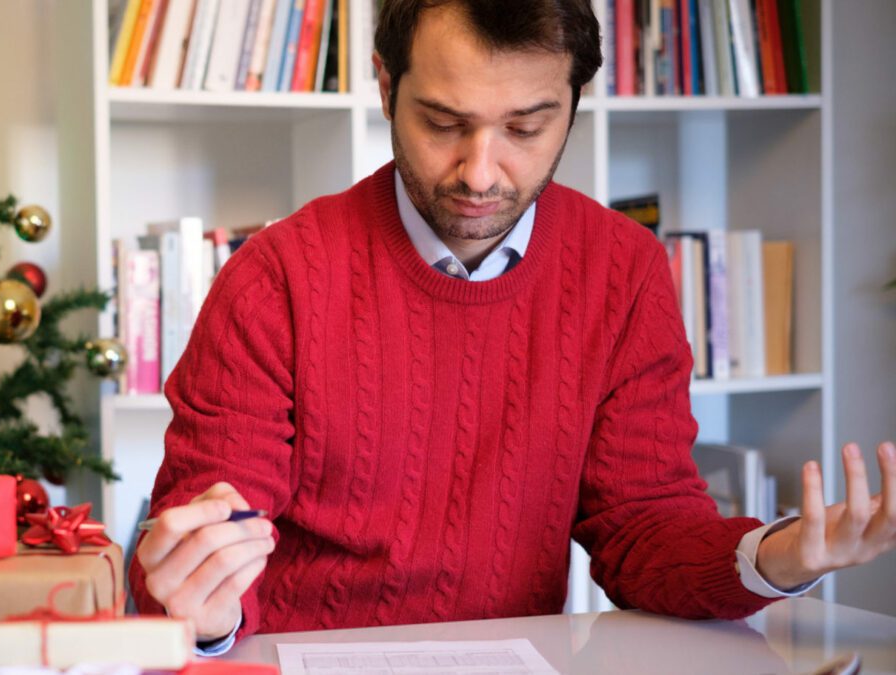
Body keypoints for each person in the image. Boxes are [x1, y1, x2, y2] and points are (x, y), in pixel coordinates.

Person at [129, 0, 896, 654]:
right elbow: (205, 535)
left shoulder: (622, 271)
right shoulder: (274, 280)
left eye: (526, 128)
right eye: (442, 123)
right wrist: (205, 615)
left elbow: (641, 529)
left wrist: (774, 556)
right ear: (385, 84)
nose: (481, 172)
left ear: (574, 104)